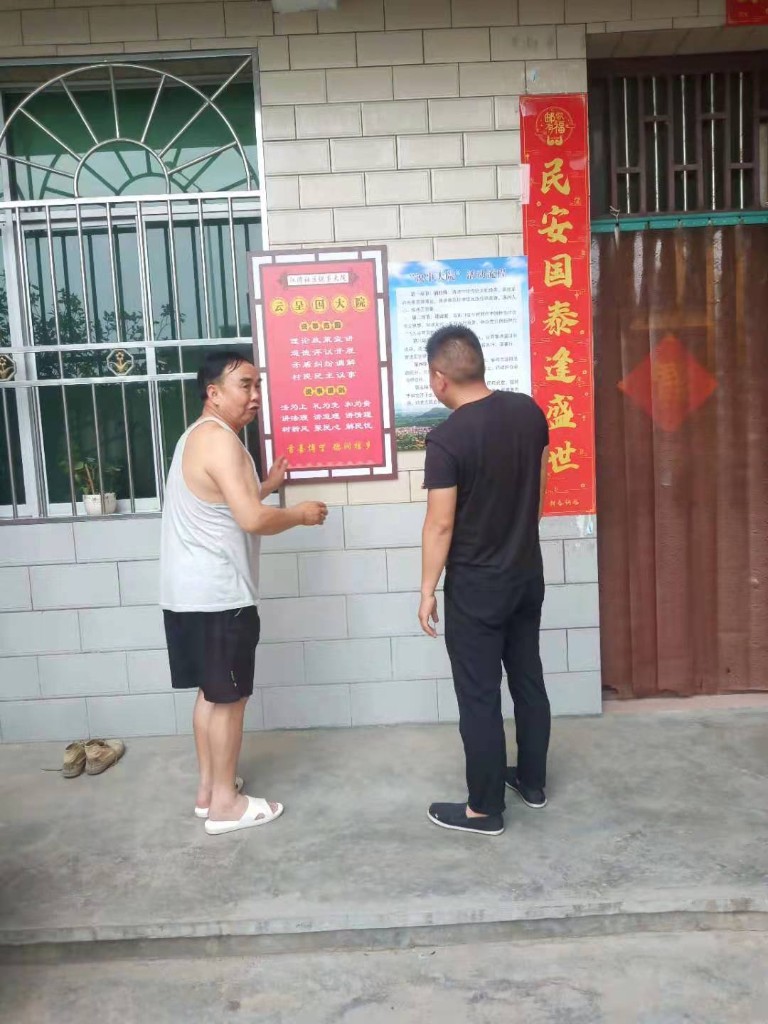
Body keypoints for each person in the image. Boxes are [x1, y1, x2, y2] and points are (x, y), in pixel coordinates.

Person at [160, 349, 328, 836]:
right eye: (245, 385)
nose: (255, 396)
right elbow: (251, 519)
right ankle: (226, 806)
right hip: (219, 596)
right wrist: (300, 514)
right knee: (230, 700)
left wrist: (268, 483)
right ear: (213, 393)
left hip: (187, 595)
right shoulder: (222, 442)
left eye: (258, 386)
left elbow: (227, 501)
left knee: (210, 695)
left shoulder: (195, 437)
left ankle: (208, 791)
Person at [418, 325, 551, 837]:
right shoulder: (528, 412)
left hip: (477, 587)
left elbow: (440, 524)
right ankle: (532, 782)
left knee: (479, 696)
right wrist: (518, 537)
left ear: (439, 377)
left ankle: (483, 808)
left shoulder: (447, 439)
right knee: (528, 677)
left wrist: (427, 589)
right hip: (526, 573)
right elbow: (540, 486)